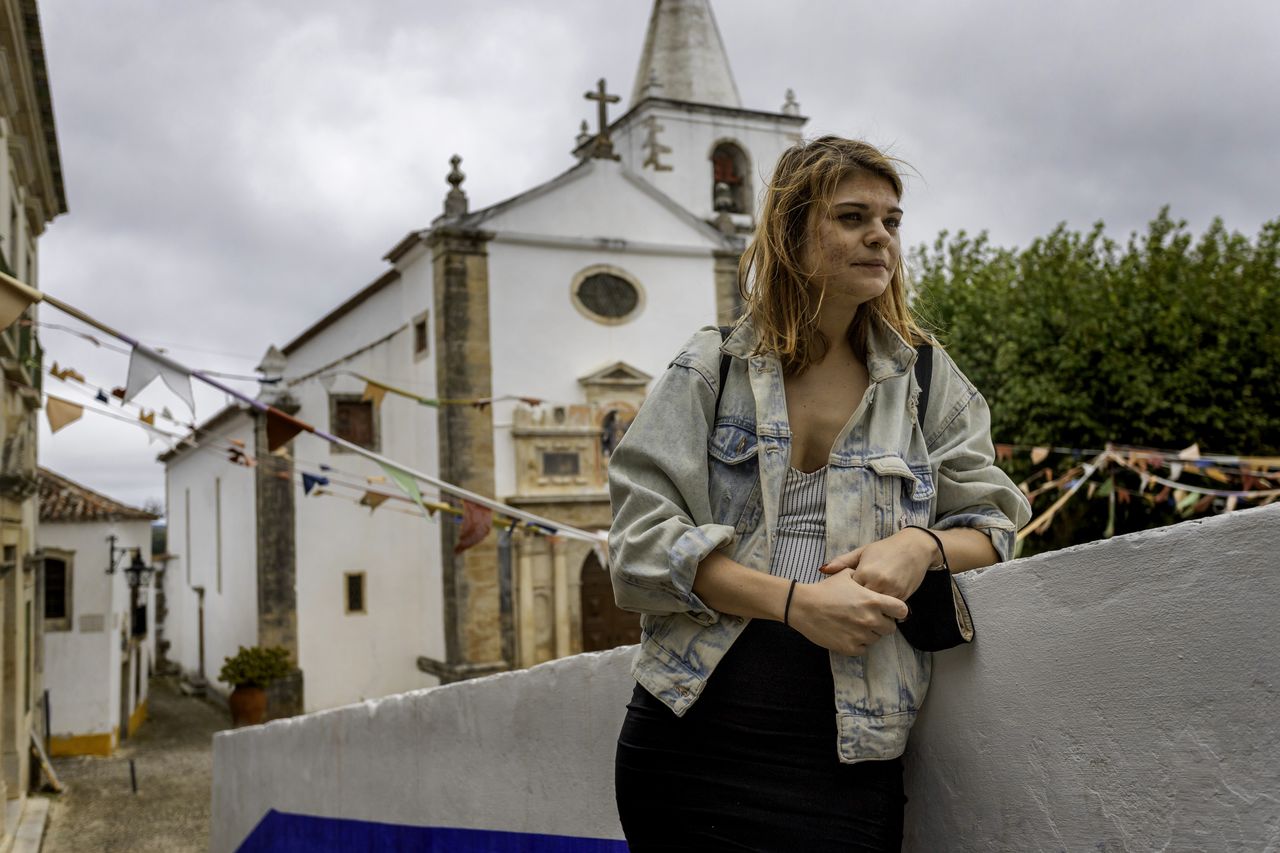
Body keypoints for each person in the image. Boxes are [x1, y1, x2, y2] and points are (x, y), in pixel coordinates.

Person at [607, 135, 1032, 851]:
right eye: (852, 217)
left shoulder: (925, 380)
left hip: (851, 746)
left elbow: (995, 525)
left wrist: (917, 544)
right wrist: (797, 603)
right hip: (689, 732)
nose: (880, 237)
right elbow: (640, 549)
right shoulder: (712, 366)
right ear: (794, 231)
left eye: (891, 221)